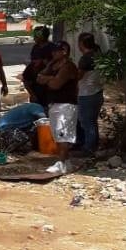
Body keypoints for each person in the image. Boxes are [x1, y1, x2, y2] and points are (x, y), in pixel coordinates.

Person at [37, 40, 79, 169]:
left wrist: (48, 79)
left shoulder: (68, 66)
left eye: (56, 51)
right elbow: (39, 77)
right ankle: (66, 162)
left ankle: (61, 162)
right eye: (53, 51)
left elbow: (56, 85)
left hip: (66, 105)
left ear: (64, 52)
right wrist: (50, 78)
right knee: (57, 134)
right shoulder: (53, 65)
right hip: (54, 104)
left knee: (63, 134)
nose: (53, 53)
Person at [76, 32, 104, 155]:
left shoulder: (86, 58)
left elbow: (78, 76)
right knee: (92, 121)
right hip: (97, 92)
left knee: (87, 123)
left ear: (81, 43)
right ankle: (93, 145)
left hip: (87, 94)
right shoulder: (98, 54)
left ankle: (88, 148)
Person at [22, 26, 53, 107]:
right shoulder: (35, 47)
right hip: (35, 81)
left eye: (36, 35)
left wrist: (43, 62)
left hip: (46, 81)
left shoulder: (51, 48)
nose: (34, 37)